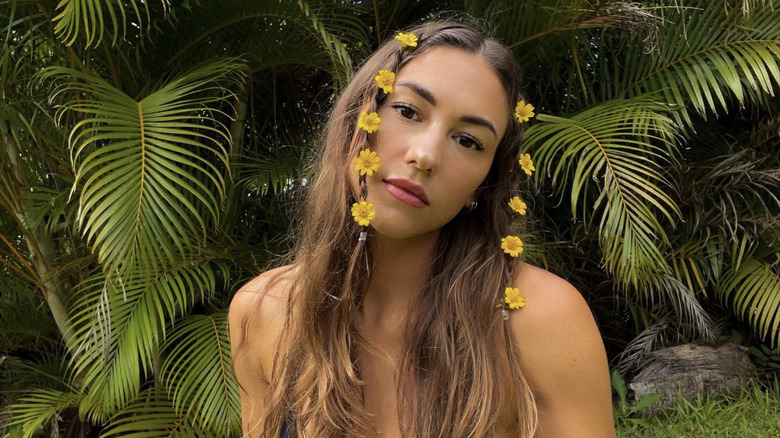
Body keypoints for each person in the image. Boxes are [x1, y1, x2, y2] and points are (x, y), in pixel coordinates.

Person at [229, 20, 615, 438]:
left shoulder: (537, 319)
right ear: (353, 120)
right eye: (408, 111)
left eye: (468, 140)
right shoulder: (264, 313)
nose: (426, 155)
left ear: (482, 186)